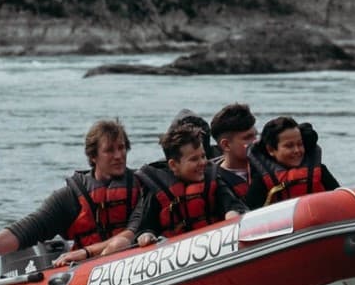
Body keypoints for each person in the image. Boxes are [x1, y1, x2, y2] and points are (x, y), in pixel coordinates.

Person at [0, 118, 144, 272]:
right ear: (93, 157)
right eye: (110, 150)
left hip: (136, 263)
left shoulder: (142, 185)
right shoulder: (71, 198)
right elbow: (26, 230)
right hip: (87, 273)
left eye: (122, 148)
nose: (119, 156)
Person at [99, 121, 247, 255]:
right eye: (194, 159)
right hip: (174, 255)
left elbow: (231, 205)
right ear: (173, 165)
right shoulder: (157, 189)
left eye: (203, 156)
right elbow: (146, 227)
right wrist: (146, 235)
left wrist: (232, 214)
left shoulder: (213, 179)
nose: (202, 163)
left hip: (217, 247)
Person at [253, 114, 340, 205]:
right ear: (271, 150)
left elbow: (341, 199)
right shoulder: (261, 181)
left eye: (300, 144)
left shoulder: (321, 171)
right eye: (289, 146)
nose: (297, 150)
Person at [208, 103, 264, 204]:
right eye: (248, 138)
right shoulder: (211, 180)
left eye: (256, 135)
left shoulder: (269, 167)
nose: (256, 142)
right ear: (226, 145)